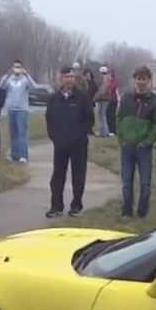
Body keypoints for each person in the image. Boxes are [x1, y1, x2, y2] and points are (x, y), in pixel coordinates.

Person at [45, 66, 95, 218]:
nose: (69, 79)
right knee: (57, 176)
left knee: (78, 176)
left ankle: (76, 205)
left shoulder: (82, 97)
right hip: (60, 145)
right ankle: (56, 206)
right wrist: (55, 137)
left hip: (78, 144)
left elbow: (89, 120)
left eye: (72, 77)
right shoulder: (54, 98)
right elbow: (49, 120)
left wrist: (79, 136)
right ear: (61, 78)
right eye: (66, 76)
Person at [116, 65, 156, 218]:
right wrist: (122, 139)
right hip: (127, 147)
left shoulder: (154, 100)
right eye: (138, 79)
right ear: (134, 80)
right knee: (127, 183)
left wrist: (148, 141)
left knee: (145, 184)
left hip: (144, 148)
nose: (141, 82)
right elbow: (118, 119)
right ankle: (126, 211)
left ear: (149, 80)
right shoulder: (126, 98)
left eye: (144, 79)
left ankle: (142, 213)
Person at [0, 60, 38, 163]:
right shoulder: (10, 79)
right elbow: (1, 85)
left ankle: (23, 155)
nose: (17, 68)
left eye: (19, 67)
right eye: (15, 66)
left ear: (22, 68)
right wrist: (7, 74)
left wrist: (27, 74)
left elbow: (34, 86)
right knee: (13, 133)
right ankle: (14, 155)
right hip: (11, 109)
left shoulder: (25, 79)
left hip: (22, 110)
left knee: (22, 133)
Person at [94, 66, 113, 137]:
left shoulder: (104, 79)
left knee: (101, 116)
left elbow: (102, 90)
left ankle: (103, 133)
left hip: (102, 99)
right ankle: (106, 132)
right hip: (106, 99)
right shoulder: (108, 78)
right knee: (103, 116)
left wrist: (95, 97)